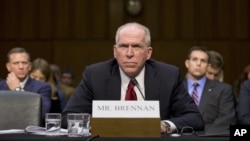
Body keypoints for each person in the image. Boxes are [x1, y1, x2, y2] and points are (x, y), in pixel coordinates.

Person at [62, 22, 205, 133]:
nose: (129, 53)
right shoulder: (95, 74)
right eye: (124, 46)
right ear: (115, 51)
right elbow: (67, 118)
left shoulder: (167, 76)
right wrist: (98, 124)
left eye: (136, 46)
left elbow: (195, 118)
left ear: (148, 53)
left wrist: (165, 126)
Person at [184, 46, 235, 134]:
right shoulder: (176, 87)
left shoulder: (223, 89)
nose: (198, 63)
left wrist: (203, 136)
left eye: (203, 61)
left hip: (209, 137)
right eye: (195, 59)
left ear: (207, 65)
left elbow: (226, 119)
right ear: (187, 63)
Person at [0, 47, 51, 119]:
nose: (21, 67)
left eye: (24, 63)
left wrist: (17, 90)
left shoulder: (43, 87)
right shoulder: (1, 87)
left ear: (29, 66)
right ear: (8, 67)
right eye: (16, 63)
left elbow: (42, 113)